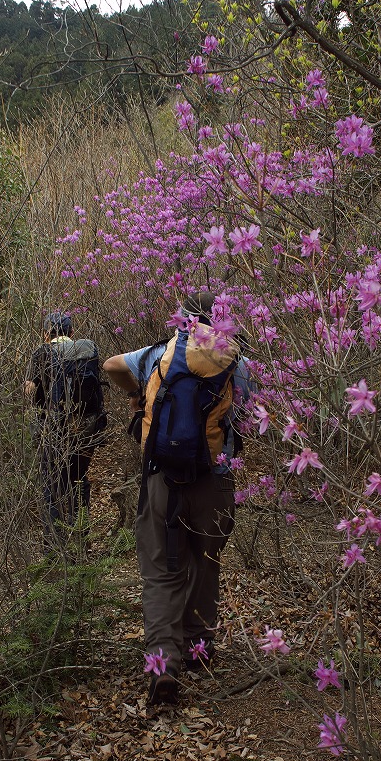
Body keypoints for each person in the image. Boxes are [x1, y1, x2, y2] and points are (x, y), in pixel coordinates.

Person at [103, 292, 249, 707]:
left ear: (183, 320)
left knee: (160, 571)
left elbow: (111, 365)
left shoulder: (159, 355)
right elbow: (251, 418)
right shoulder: (238, 363)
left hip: (162, 479)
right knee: (206, 563)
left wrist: (139, 396)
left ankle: (164, 664)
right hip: (215, 480)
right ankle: (198, 645)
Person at [24, 312, 106, 552]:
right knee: (78, 479)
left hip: (53, 428)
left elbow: (29, 391)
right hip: (84, 428)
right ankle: (81, 539)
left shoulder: (41, 352)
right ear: (72, 333)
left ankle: (54, 546)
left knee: (52, 484)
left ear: (46, 334)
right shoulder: (86, 352)